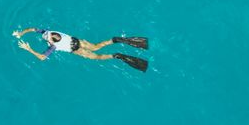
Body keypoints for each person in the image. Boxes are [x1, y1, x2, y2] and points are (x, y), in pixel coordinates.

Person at [12, 28, 149, 71]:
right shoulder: (51, 32)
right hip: (77, 41)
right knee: (96, 46)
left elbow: (42, 58)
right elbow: (34, 29)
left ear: (51, 41)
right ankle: (115, 40)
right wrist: (21, 33)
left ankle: (117, 56)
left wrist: (28, 49)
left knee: (96, 57)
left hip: (76, 49)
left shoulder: (53, 46)